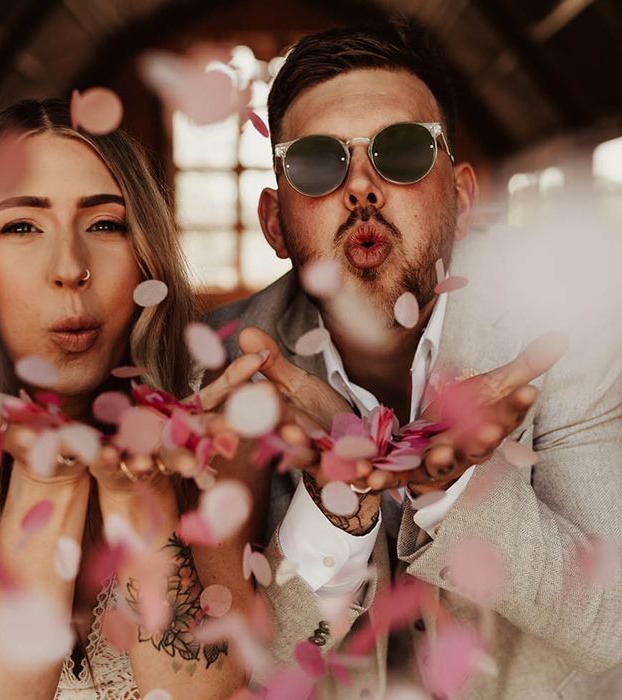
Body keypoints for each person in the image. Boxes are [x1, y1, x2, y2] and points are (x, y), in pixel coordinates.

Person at [207, 18, 622, 699]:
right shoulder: (225, 364)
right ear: (275, 222)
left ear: (461, 196)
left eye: (401, 152)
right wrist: (334, 511)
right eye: (318, 161)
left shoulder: (568, 333)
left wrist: (457, 493)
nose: (363, 188)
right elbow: (233, 671)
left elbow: (611, 622)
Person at [0, 98, 265, 700]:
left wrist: (136, 496)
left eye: (105, 224)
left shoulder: (215, 417)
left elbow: (204, 693)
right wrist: (50, 481)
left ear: (146, 255)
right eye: (21, 226)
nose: (70, 267)